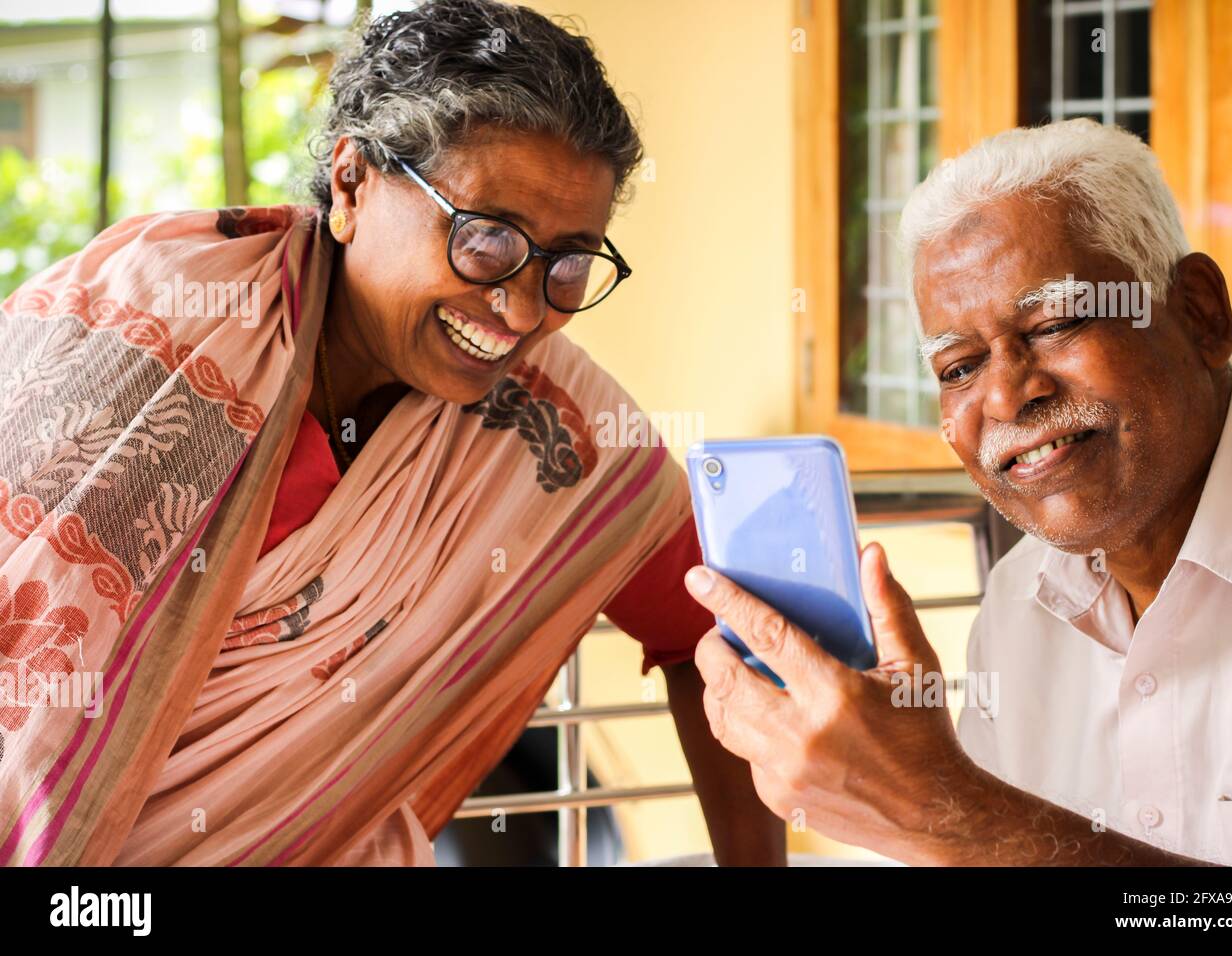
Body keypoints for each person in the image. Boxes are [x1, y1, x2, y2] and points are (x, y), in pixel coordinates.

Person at [0, 0, 784, 866]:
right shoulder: (162, 340)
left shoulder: (555, 435)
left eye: (567, 262)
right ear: (351, 185)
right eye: (487, 238)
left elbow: (713, 629)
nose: (523, 309)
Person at [687, 119, 1232, 866]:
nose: (1007, 397)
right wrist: (912, 801)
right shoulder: (1019, 606)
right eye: (958, 368)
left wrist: (943, 812)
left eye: (1055, 322)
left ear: (1200, 313)